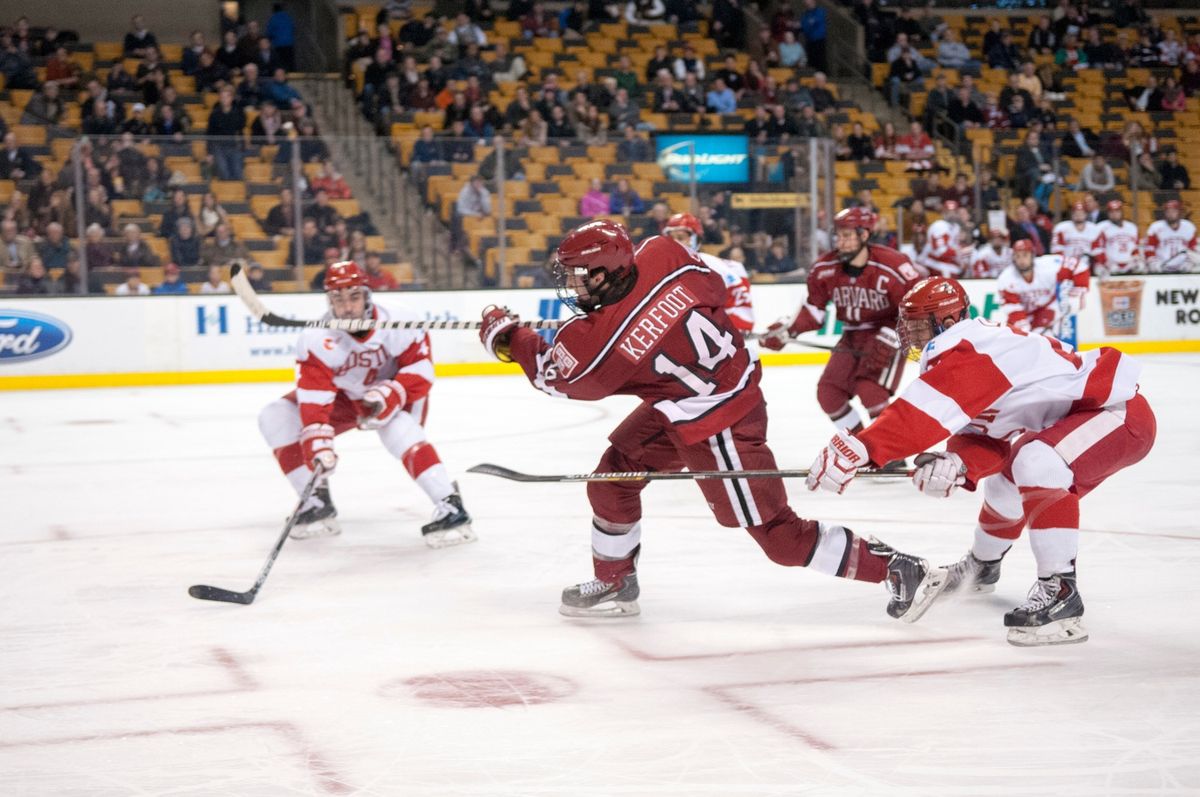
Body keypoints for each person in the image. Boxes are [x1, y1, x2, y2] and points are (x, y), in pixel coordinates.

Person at [478, 220, 941, 619]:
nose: (573, 286)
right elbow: (714, 292)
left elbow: (553, 375)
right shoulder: (664, 251)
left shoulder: (600, 342)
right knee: (612, 479)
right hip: (695, 397)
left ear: (607, 272)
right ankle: (616, 579)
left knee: (780, 537)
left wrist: (508, 337)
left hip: (720, 426)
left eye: (580, 276)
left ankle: (899, 569)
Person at [806, 276, 1156, 646]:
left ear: (949, 320)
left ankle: (1061, 594)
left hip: (1117, 414)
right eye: (910, 327)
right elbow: (988, 436)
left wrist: (862, 447)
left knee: (1036, 461)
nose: (913, 337)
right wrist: (957, 461)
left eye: (920, 326)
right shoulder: (959, 355)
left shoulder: (975, 347)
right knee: (1006, 481)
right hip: (1081, 421)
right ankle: (982, 568)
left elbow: (921, 416)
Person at [258, 261, 475, 545]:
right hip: (344, 398)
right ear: (329, 300)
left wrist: (392, 394)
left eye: (354, 297)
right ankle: (315, 502)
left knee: (399, 430)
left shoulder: (400, 320)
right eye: (338, 298)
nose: (346, 307)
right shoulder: (315, 339)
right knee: (274, 416)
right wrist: (319, 442)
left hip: (393, 396)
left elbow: (422, 371)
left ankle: (450, 505)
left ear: (367, 297)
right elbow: (315, 396)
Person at [759, 208, 923, 451]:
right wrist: (787, 331)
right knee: (829, 393)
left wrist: (895, 336)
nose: (841, 242)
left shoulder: (893, 265)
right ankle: (863, 446)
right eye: (839, 236)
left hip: (887, 332)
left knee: (871, 391)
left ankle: (890, 453)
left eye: (848, 236)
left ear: (865, 235)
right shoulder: (825, 268)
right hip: (852, 335)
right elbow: (814, 311)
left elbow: (915, 306)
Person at [662, 212, 753, 333]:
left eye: (680, 237)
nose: (675, 243)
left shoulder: (714, 266)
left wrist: (733, 330)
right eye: (671, 238)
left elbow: (740, 302)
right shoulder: (662, 268)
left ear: (696, 239)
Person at [997, 239, 1087, 336]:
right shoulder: (1006, 278)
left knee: (1044, 335)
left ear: (1032, 255)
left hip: (1047, 307)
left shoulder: (1049, 266)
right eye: (1017, 256)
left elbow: (1080, 266)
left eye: (1025, 255)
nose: (1021, 260)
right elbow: (1012, 307)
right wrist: (1023, 327)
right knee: (1013, 337)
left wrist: (1077, 294)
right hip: (1024, 313)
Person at [1144, 200, 1198, 273]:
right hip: (1161, 266)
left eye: (1173, 211)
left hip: (1182, 267)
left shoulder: (1189, 227)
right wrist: (1153, 262)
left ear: (1179, 212)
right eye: (1168, 211)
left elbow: (1192, 248)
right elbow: (1149, 249)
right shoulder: (1156, 227)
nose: (1170, 214)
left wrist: (1189, 262)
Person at [1051, 201, 1103, 272]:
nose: (1078, 215)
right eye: (1076, 213)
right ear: (1071, 214)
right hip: (1067, 266)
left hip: (1087, 266)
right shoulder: (1062, 228)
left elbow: (1097, 251)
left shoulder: (1094, 228)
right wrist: (1064, 265)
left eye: (1081, 213)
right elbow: (1057, 250)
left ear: (1086, 214)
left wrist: (1097, 266)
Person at [1095, 200, 1142, 276]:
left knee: (1141, 266)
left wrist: (1136, 258)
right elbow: (1097, 249)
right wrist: (1106, 262)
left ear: (1122, 212)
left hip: (1129, 263)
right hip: (1110, 263)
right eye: (1111, 212)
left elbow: (1135, 248)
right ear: (1108, 213)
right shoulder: (1101, 227)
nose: (1114, 214)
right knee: (1099, 269)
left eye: (1117, 211)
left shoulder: (1132, 227)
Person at [919, 200, 964, 277]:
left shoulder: (956, 227)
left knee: (960, 269)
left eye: (954, 212)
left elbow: (955, 247)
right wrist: (959, 252)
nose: (952, 215)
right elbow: (939, 252)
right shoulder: (939, 226)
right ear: (943, 212)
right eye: (949, 212)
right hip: (930, 261)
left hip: (944, 261)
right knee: (950, 273)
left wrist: (960, 260)